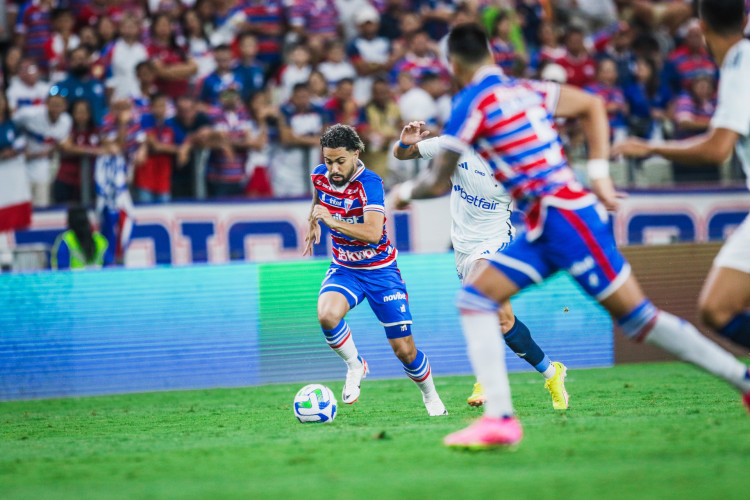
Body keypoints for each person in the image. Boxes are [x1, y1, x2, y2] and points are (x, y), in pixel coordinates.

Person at [392, 23, 750, 449]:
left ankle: (741, 379)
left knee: (641, 320)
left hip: (567, 220)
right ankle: (501, 420)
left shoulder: (471, 103)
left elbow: (434, 183)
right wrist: (598, 175)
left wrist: (401, 192)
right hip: (548, 222)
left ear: (453, 65)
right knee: (475, 300)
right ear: (490, 54)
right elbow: (593, 104)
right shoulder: (528, 89)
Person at [393, 120, 569, 410]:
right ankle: (552, 373)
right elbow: (405, 154)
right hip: (463, 246)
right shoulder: (456, 147)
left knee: (476, 296)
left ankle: (485, 378)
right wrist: (405, 142)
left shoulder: (514, 165)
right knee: (503, 321)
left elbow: (542, 199)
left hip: (496, 239)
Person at [615, 0, 750, 353]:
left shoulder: (740, 63)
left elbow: (718, 148)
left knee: (717, 308)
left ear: (701, 29)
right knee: (717, 307)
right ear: (745, 19)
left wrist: (651, 148)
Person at [303, 124, 447, 416]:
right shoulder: (320, 176)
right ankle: (355, 365)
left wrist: (331, 221)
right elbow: (320, 202)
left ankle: (431, 397)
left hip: (381, 271)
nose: (333, 168)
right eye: (328, 160)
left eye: (339, 161)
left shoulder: (370, 183)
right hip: (345, 267)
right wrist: (313, 223)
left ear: (355, 154)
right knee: (327, 315)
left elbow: (371, 232)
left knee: (405, 351)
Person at [51, 205, 112, 270]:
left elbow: (61, 271)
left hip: (74, 280)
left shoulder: (66, 240)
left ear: (69, 221)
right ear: (87, 221)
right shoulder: (100, 240)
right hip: (98, 279)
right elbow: (110, 267)